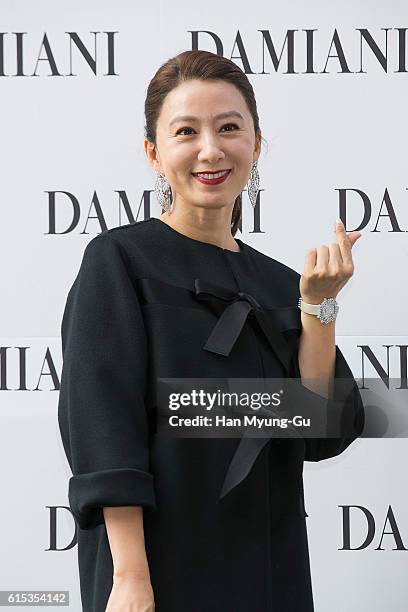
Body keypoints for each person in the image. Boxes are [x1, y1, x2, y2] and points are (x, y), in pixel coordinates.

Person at [57, 49, 365, 612]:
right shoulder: (119, 260)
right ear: (154, 152)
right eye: (185, 132)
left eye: (229, 128)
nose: (210, 149)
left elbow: (320, 431)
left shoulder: (278, 282)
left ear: (255, 143)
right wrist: (129, 576)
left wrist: (318, 308)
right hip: (156, 566)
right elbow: (103, 425)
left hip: (271, 564)